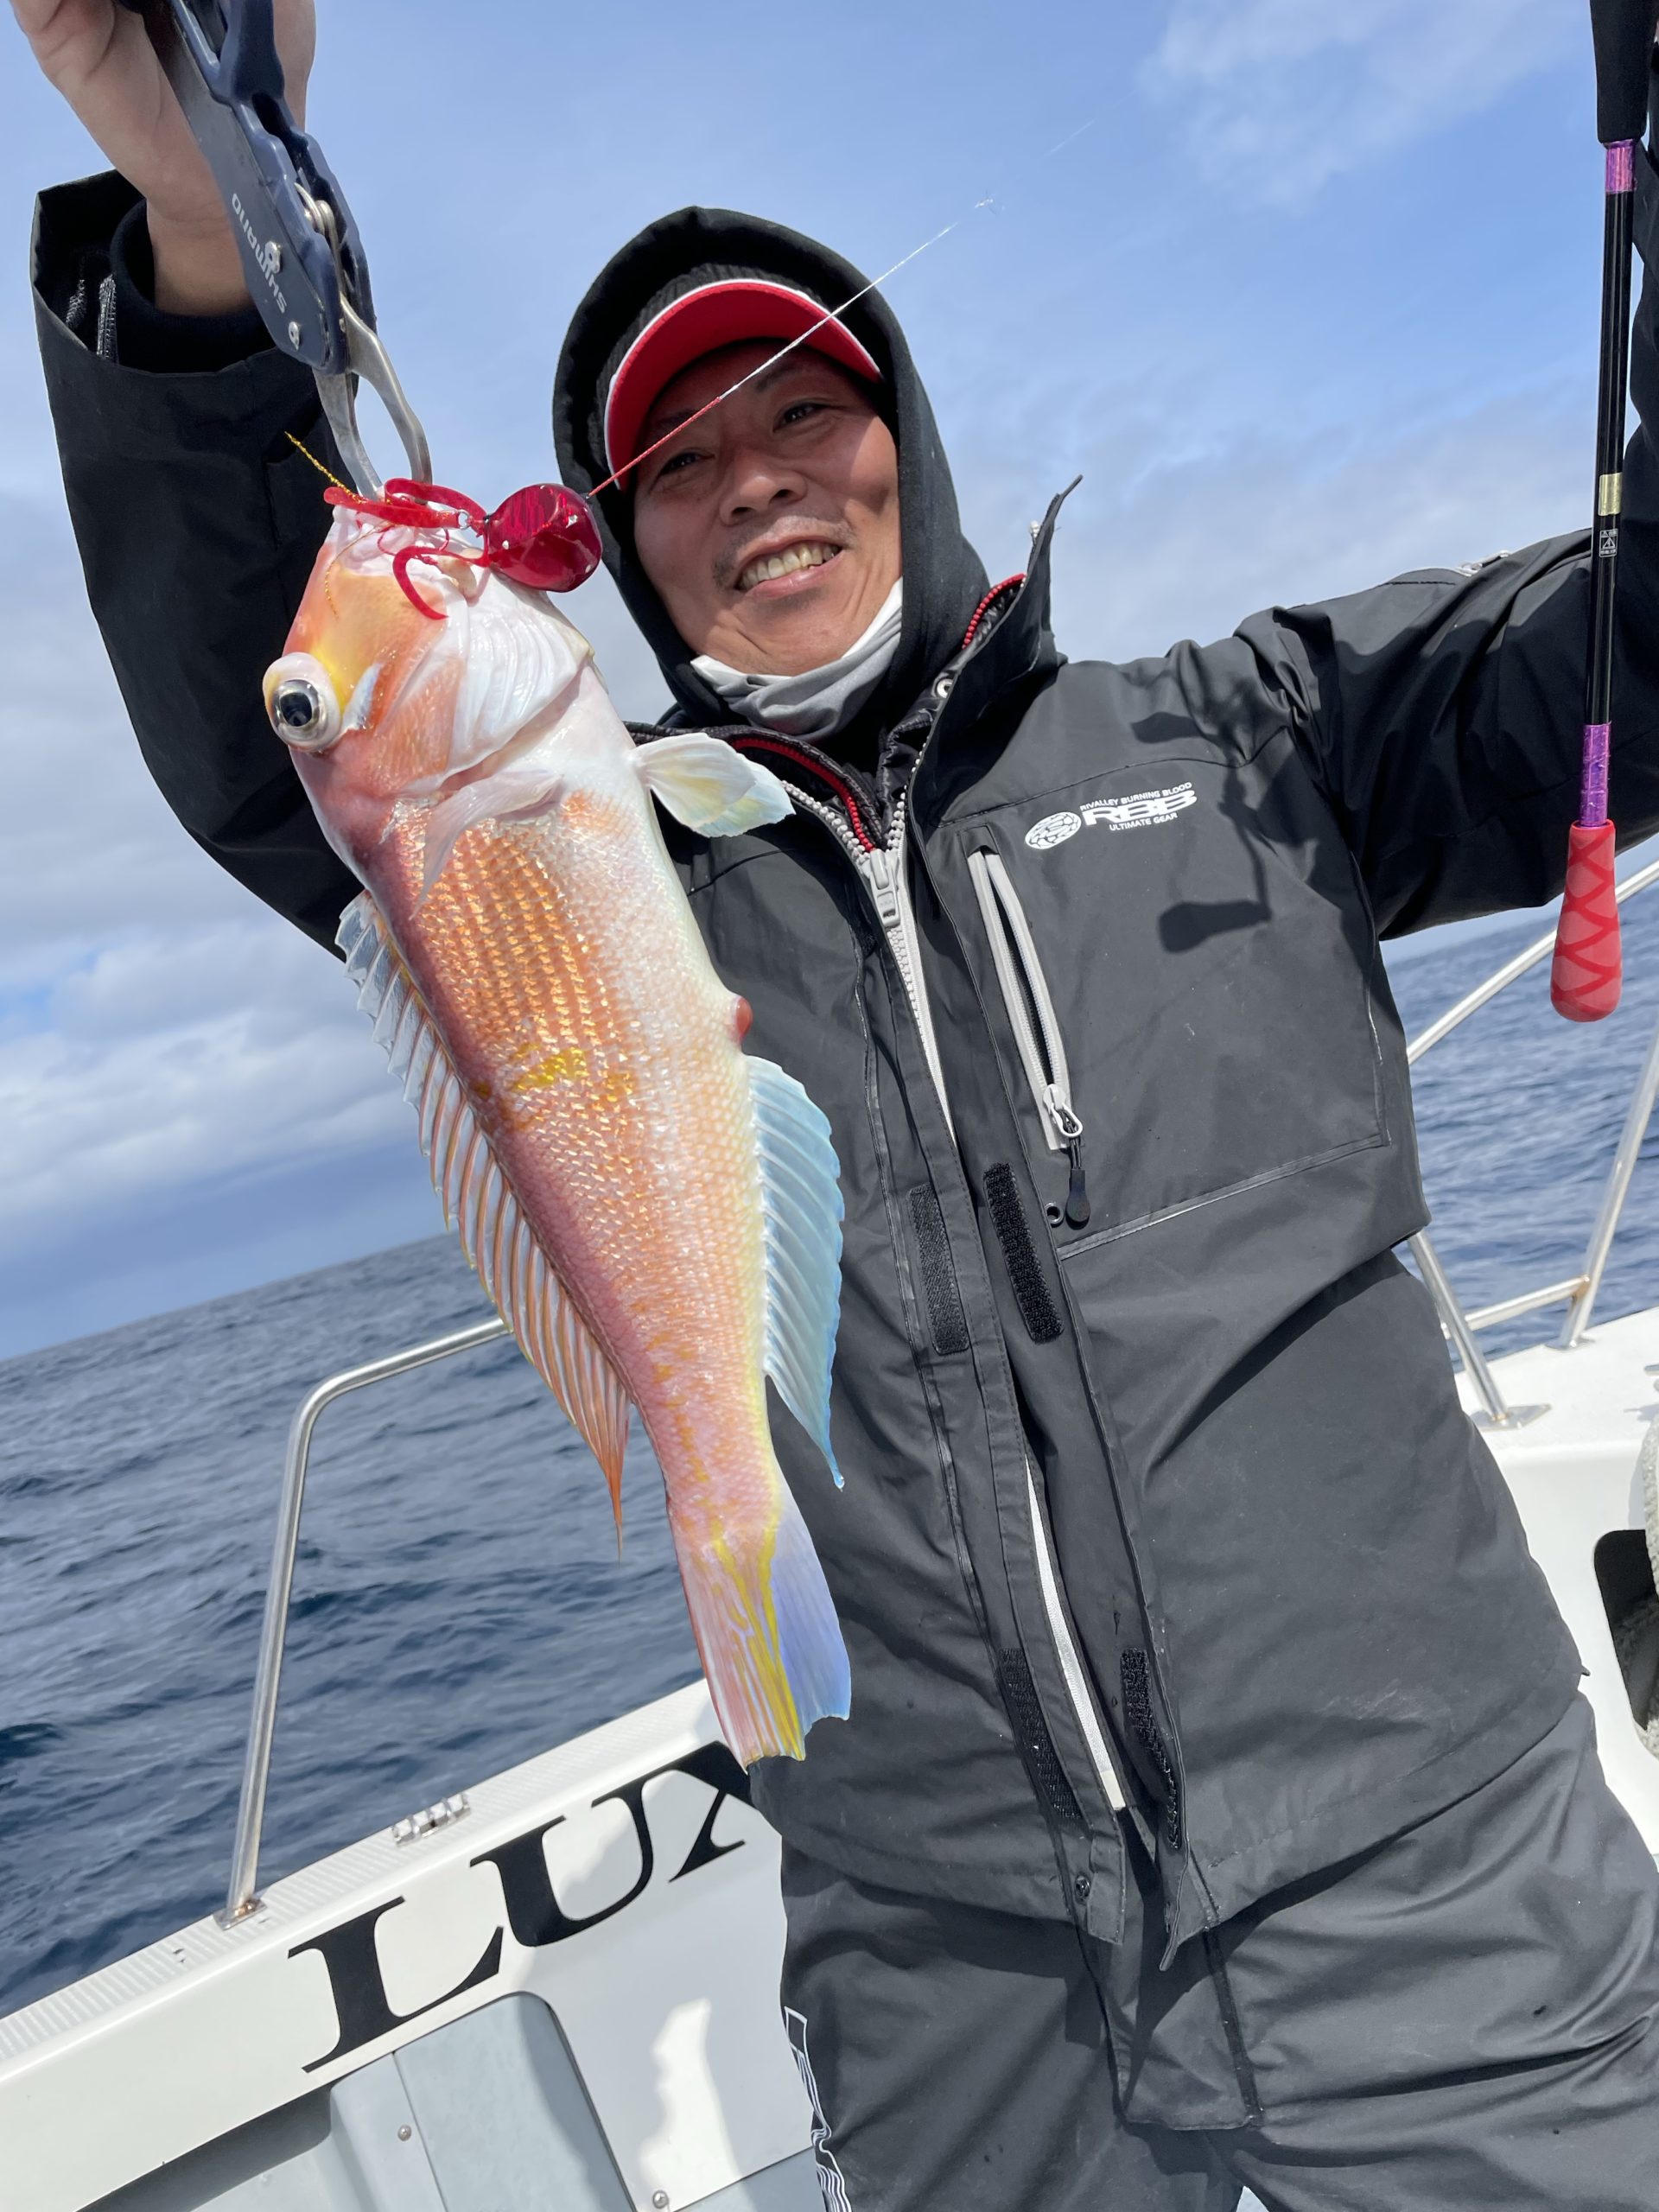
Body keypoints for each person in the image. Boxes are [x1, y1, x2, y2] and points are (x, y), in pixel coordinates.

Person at [16, 4, 1659, 2204]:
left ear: (912, 441)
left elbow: (1628, 653)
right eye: (681, 461)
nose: (759, 478)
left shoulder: (1257, 735)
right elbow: (281, 727)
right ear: (620, 545)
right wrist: (204, 217)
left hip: (1436, 1877)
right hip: (943, 1943)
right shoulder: (597, 849)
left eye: (806, 408)